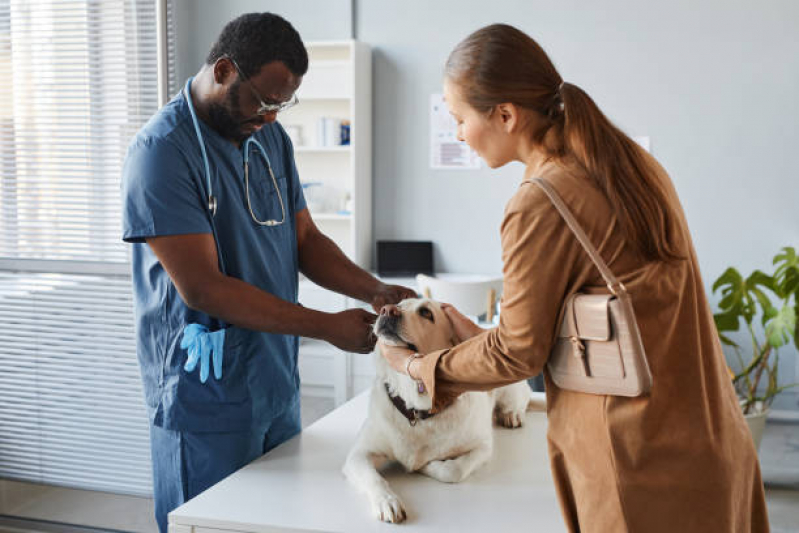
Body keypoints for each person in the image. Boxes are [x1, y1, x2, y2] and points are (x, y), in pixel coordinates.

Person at [380, 24, 769, 532]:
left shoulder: (539, 199)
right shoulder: (630, 162)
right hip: (711, 443)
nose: (457, 134)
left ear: (504, 115)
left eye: (458, 119)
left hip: (636, 463)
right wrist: (485, 340)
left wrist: (419, 368)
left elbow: (518, 352)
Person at [121, 13, 414, 532]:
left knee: (274, 523)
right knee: (207, 525)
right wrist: (326, 326)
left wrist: (376, 291)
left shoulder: (269, 139)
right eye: (264, 100)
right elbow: (203, 288)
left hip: (273, 382)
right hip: (203, 396)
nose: (273, 117)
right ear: (225, 70)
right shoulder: (161, 153)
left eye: (283, 104)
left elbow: (304, 240)